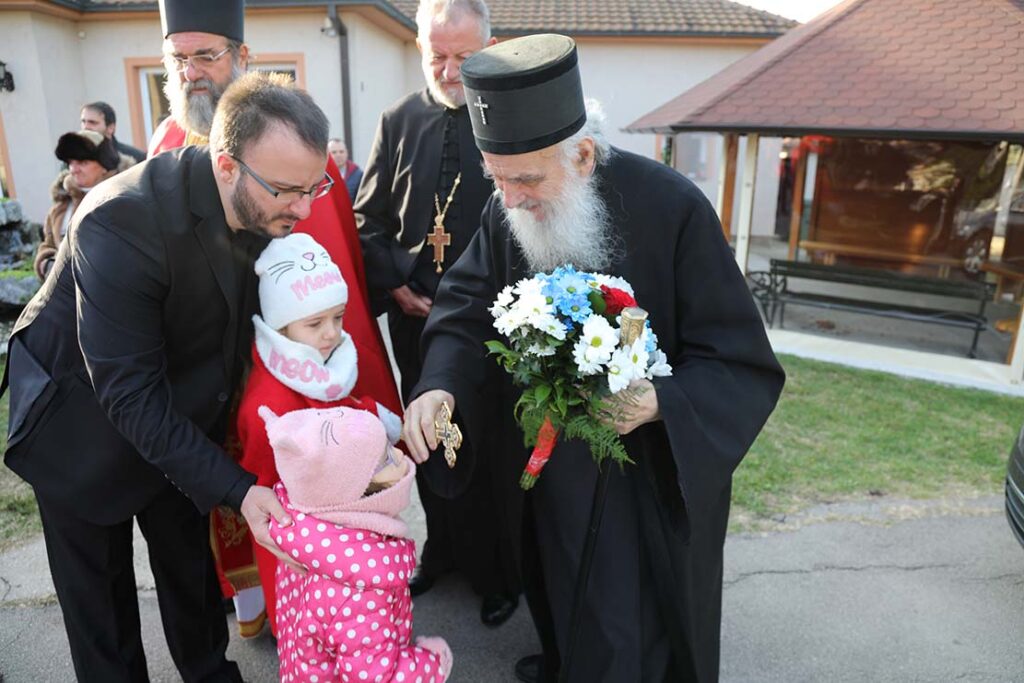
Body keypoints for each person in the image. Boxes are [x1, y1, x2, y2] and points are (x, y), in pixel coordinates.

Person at [401, 35, 786, 683]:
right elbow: (465, 309)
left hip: (642, 480)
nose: (511, 199)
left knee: (627, 625)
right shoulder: (511, 209)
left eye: (524, 179)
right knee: (559, 588)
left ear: (581, 154)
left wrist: (661, 400)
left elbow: (739, 359)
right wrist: (438, 385)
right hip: (551, 473)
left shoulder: (674, 209)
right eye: (497, 179)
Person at [2, 71, 327, 682]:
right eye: (288, 190)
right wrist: (238, 489)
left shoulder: (261, 200)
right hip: (80, 430)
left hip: (178, 416)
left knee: (191, 577)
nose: (304, 209)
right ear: (227, 167)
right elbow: (127, 395)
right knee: (103, 615)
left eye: (314, 187)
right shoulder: (119, 220)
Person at [149, 0, 401, 627]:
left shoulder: (291, 142)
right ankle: (256, 600)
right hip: (202, 359)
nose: (192, 73)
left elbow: (333, 257)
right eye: (178, 59)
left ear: (242, 56)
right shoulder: (165, 142)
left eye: (206, 55)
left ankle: (324, 599)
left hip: (283, 355)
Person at [355, 0, 520, 627]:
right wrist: (397, 287)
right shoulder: (398, 121)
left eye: (464, 57)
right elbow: (366, 221)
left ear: (490, 46)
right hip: (416, 323)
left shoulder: (511, 118)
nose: (449, 71)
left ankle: (501, 572)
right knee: (425, 443)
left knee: (493, 447)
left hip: (494, 330)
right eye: (436, 57)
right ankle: (444, 550)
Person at [233, 232, 403, 635]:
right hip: (299, 538)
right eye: (315, 322)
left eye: (338, 317)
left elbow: (338, 408)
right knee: (310, 627)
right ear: (280, 324)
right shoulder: (269, 399)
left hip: (339, 527)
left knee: (344, 623)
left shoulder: (320, 361)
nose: (332, 333)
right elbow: (263, 478)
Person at [263, 404, 453, 683]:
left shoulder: (303, 535)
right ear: (353, 492)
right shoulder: (361, 590)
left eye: (390, 446)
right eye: (386, 459)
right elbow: (376, 678)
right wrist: (432, 662)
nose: (400, 454)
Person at [35, 129, 135, 280]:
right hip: (66, 297)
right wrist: (46, 263)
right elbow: (47, 245)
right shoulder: (60, 207)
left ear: (104, 166)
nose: (74, 170)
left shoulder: (123, 199)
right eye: (71, 163)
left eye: (83, 162)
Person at [80, 101, 147, 164]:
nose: (86, 127)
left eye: (92, 122)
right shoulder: (75, 158)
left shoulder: (135, 158)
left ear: (110, 128)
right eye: (83, 122)